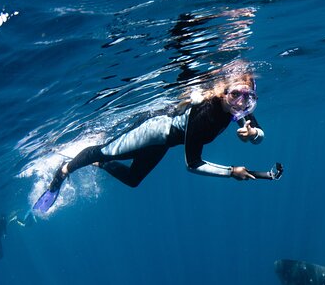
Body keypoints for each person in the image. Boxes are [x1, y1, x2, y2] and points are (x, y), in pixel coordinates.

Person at [34, 60, 279, 214]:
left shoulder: (239, 111)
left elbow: (259, 135)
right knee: (104, 150)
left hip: (163, 142)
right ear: (223, 92)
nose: (240, 103)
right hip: (152, 131)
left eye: (247, 97)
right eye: (235, 95)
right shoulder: (206, 114)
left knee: (133, 179)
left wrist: (254, 133)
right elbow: (192, 165)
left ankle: (98, 163)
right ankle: (62, 173)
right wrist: (231, 172)